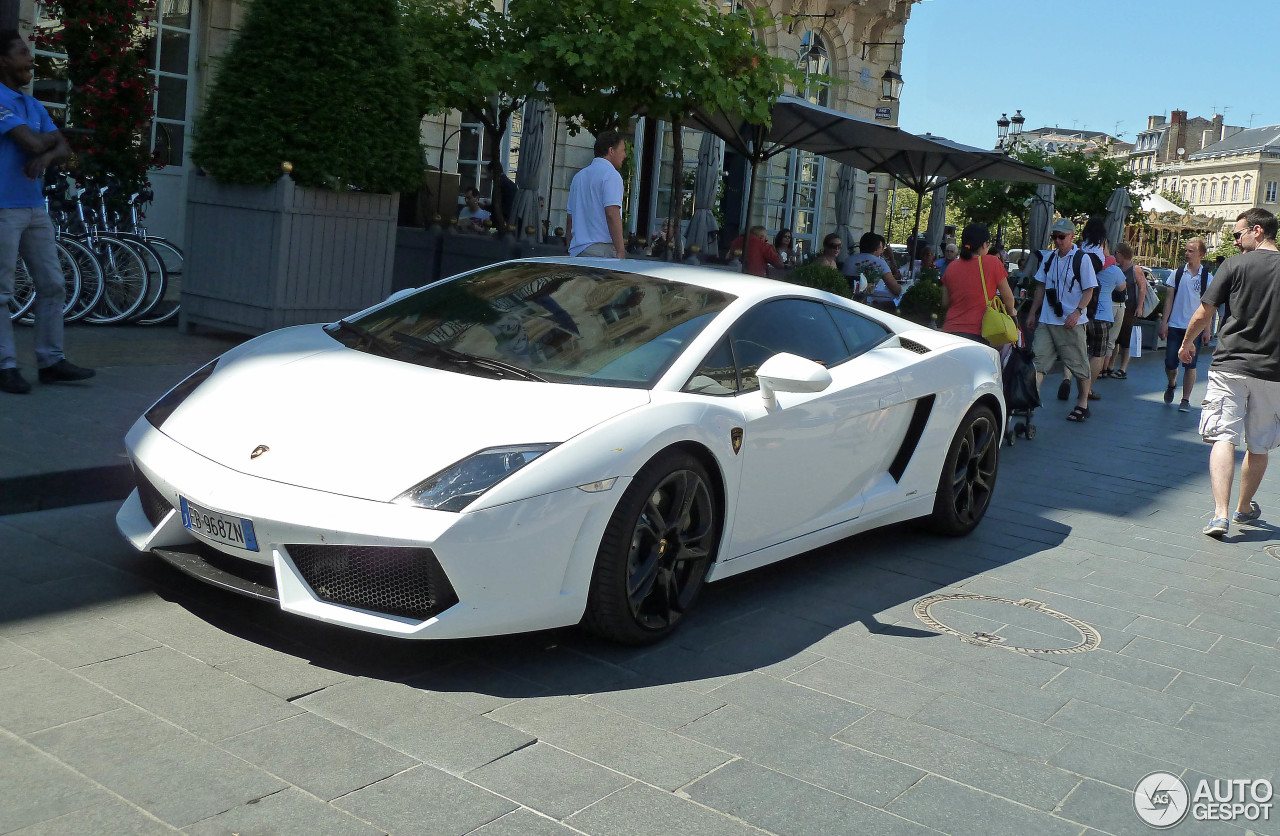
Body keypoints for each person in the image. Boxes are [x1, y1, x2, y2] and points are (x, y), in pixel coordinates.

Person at [1177, 209, 1280, 539]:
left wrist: (1186, 342)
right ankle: (1243, 507)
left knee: (1224, 437)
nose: (1235, 241)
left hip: (1230, 364)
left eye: (1238, 235)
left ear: (1258, 231)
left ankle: (1220, 514)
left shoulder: (1233, 265)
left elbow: (1205, 311)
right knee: (1259, 444)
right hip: (1272, 369)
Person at [0, 30, 93, 395]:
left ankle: (50, 361)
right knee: (1, 290)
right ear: (3, 61)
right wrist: (49, 145)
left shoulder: (32, 105)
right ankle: (5, 365)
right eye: (23, 53)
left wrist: (50, 149)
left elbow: (64, 148)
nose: (30, 59)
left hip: (34, 207)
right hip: (4, 208)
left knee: (53, 284)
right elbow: (36, 141)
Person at [1023, 218, 1098, 422]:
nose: (1057, 241)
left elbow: (1089, 290)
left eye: (1061, 237)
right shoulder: (1049, 258)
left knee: (1079, 365)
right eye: (1054, 237)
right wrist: (1032, 313)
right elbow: (1040, 287)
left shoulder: (1082, 259)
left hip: (1071, 322)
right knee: (1037, 362)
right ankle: (1030, 401)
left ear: (1072, 236)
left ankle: (1083, 403)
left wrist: (1077, 312)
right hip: (1048, 321)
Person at [1160, 237, 1214, 412]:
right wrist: (1164, 323)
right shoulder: (1177, 273)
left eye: (1191, 251)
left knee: (1191, 364)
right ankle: (1171, 382)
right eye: (1186, 250)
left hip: (1195, 329)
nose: (1187, 253)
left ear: (1201, 254)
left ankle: (1185, 399)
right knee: (1170, 362)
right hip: (1176, 325)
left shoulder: (1208, 277)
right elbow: (1169, 300)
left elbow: (1209, 308)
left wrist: (1207, 330)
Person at [939, 223, 1016, 344]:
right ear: (984, 245)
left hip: (950, 332)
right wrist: (1012, 313)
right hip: (978, 333)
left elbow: (945, 302)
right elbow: (1009, 299)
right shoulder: (993, 263)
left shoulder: (951, 266)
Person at [566, 130, 627, 259]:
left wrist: (570, 248)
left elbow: (570, 218)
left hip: (578, 251)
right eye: (623, 150)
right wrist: (621, 250)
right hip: (601, 250)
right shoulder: (611, 175)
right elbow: (612, 213)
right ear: (611, 151)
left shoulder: (579, 177)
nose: (625, 155)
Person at [843, 232, 900, 311]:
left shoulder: (849, 259)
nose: (882, 251)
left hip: (845, 300)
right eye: (881, 248)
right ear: (877, 248)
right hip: (865, 304)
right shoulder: (878, 262)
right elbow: (896, 289)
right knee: (893, 305)